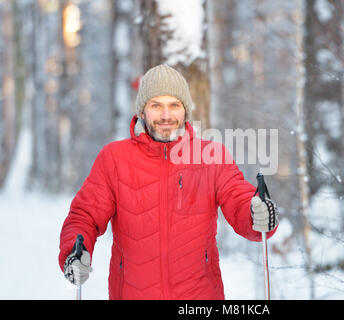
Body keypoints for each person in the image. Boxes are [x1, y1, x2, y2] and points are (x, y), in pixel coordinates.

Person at [58, 64, 279, 300]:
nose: (166, 115)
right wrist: (75, 251)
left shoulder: (211, 156)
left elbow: (239, 199)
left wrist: (257, 213)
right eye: (156, 105)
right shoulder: (114, 159)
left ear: (185, 111)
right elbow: (84, 216)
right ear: (142, 111)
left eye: (174, 105)